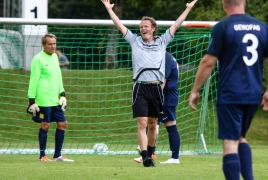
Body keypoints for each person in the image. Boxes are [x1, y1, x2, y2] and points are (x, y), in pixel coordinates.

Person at [101, 0, 197, 167]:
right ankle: (145, 155)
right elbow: (119, 25)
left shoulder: (162, 42)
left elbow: (176, 24)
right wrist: (110, 10)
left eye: (146, 26)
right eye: (141, 26)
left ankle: (150, 152)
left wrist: (188, 9)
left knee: (153, 124)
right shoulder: (134, 40)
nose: (142, 28)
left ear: (153, 29)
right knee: (142, 122)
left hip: (156, 88)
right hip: (139, 87)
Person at [188, 0, 268, 179]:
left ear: (224, 4)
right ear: (244, 2)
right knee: (240, 137)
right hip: (253, 93)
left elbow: (208, 62)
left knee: (230, 143)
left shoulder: (224, 27)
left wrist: (195, 90)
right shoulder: (262, 27)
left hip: (231, 93)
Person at [27, 34, 74, 162]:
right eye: (50, 44)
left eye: (54, 43)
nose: (53, 46)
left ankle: (57, 155)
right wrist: (31, 100)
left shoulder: (54, 57)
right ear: (44, 45)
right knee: (45, 125)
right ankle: (42, 156)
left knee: (63, 123)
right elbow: (34, 80)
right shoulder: (38, 59)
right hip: (43, 98)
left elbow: (58, 76)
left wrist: (62, 93)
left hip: (55, 99)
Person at [134, 52, 181, 164]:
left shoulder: (165, 58)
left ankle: (174, 157)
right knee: (154, 124)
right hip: (164, 97)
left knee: (170, 125)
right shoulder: (165, 57)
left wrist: (154, 96)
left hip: (165, 98)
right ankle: (148, 154)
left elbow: (162, 80)